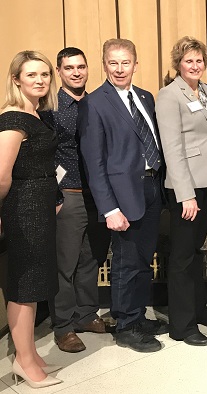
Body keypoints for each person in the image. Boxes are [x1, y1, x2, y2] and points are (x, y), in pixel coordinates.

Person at [79, 38, 168, 352]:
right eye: (113, 63)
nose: (119, 69)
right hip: (121, 196)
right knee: (126, 263)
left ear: (135, 64)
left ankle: (138, 314)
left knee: (143, 260)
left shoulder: (145, 96)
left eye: (125, 62)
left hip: (152, 188)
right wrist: (109, 208)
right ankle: (126, 326)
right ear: (104, 65)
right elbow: (94, 162)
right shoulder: (95, 102)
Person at [155, 36, 207, 346]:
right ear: (178, 65)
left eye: (199, 60)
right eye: (189, 61)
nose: (195, 65)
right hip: (186, 188)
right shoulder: (169, 96)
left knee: (196, 251)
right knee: (182, 256)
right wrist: (186, 194)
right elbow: (172, 148)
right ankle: (182, 325)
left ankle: (199, 310)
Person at [43, 47, 113, 354]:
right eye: (69, 67)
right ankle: (63, 326)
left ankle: (86, 314)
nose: (76, 72)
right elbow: (42, 154)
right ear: (59, 71)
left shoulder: (96, 102)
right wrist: (55, 195)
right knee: (65, 265)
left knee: (90, 260)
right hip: (68, 194)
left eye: (81, 66)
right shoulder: (51, 107)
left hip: (98, 196)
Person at [0, 50, 63, 388]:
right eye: (31, 75)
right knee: (24, 286)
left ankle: (31, 355)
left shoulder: (36, 114)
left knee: (34, 282)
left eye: (44, 75)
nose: (40, 80)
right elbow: (1, 175)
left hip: (38, 207)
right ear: (16, 79)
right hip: (22, 209)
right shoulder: (13, 117)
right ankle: (24, 362)